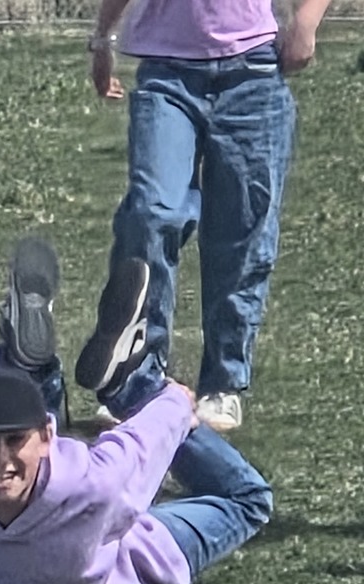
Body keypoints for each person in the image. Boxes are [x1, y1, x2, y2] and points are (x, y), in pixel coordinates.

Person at [0, 239, 272, 584]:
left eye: (12, 441)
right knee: (249, 498)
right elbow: (143, 443)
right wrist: (171, 402)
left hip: (41, 555)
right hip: (130, 557)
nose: (0, 458)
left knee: (1, 416)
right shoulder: (97, 485)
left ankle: (29, 367)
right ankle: (129, 387)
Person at [86, 0, 333, 430]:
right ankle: (140, 377)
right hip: (166, 73)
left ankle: (223, 383)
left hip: (253, 72)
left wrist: (306, 24)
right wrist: (102, 38)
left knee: (242, 231)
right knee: (150, 213)